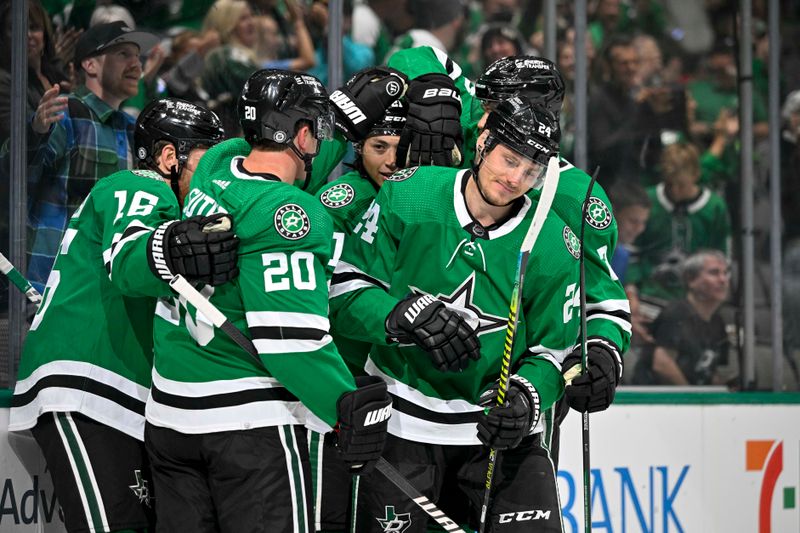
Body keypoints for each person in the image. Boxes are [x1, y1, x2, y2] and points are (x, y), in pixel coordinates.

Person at [144, 69, 392, 533]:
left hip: (170, 417)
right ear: (300, 134)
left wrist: (337, 119)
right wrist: (343, 403)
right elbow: (290, 343)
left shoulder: (214, 169)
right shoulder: (294, 215)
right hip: (247, 428)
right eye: (315, 133)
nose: (320, 146)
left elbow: (264, 154)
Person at [329, 97, 577, 532]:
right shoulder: (410, 194)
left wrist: (527, 396)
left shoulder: (553, 242)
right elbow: (344, 289)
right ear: (483, 142)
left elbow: (556, 349)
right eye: (510, 159)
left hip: (496, 439)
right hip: (401, 426)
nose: (516, 178)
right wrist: (400, 316)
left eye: (532, 170)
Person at [8, 97, 236, 533]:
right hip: (86, 382)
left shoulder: (172, 204)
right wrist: (176, 248)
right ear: (170, 157)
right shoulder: (139, 184)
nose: (217, 177)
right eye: (209, 159)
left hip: (122, 395)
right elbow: (128, 254)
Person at [475, 57, 630, 467]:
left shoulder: (574, 196)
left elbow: (602, 304)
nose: (480, 119)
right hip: (428, 389)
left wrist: (600, 351)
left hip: (526, 394)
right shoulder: (461, 166)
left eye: (492, 108)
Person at [8, 21, 159, 293]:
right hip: (49, 288)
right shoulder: (64, 113)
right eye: (123, 54)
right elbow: (14, 174)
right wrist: (36, 131)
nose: (137, 65)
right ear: (91, 65)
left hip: (100, 289)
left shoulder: (132, 129)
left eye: (138, 57)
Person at [312, 99, 407, 532]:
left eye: (399, 148)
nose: (390, 160)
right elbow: (318, 278)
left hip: (380, 378)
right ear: (358, 149)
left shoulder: (410, 198)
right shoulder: (347, 194)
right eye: (379, 147)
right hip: (339, 377)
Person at [627, 141, 731, 304]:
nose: (675, 191)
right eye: (670, 184)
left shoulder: (714, 208)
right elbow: (631, 249)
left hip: (696, 301)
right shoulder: (648, 201)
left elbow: (720, 256)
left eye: (681, 185)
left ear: (696, 175)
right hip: (648, 298)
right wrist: (630, 291)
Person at [632, 250, 732, 385]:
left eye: (725, 273)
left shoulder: (717, 322)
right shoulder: (676, 314)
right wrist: (692, 397)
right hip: (659, 401)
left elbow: (712, 370)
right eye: (714, 273)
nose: (723, 280)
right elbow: (662, 364)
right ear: (691, 280)